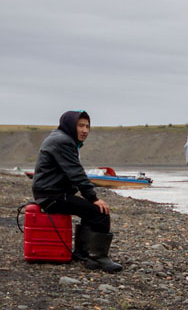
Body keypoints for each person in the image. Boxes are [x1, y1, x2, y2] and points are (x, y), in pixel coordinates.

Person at [31, 110, 121, 272]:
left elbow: (72, 172)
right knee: (99, 213)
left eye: (87, 126)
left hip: (49, 193)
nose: (85, 130)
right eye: (80, 125)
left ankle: (83, 254)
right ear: (70, 125)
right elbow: (75, 172)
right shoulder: (63, 141)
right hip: (52, 195)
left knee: (89, 212)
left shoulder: (59, 138)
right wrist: (93, 197)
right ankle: (98, 258)